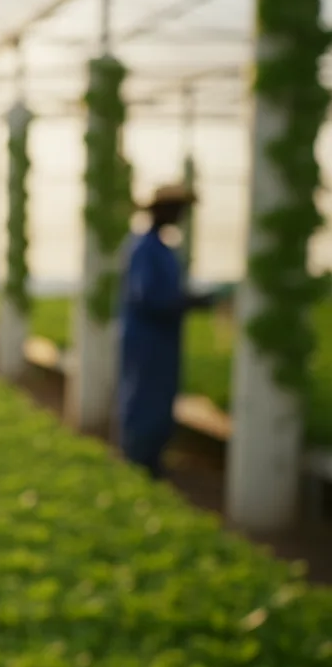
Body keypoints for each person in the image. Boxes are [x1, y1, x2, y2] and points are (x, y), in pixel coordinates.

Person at [118, 184, 232, 479]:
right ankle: (138, 461)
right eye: (176, 210)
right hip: (148, 341)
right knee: (145, 399)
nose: (180, 216)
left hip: (162, 340)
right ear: (160, 211)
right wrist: (191, 301)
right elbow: (148, 298)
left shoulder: (164, 249)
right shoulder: (145, 249)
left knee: (159, 399)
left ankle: (151, 460)